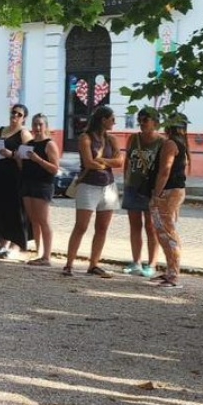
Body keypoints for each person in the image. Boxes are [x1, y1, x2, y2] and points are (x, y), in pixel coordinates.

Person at [63, 106, 123, 278]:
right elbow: (89, 163)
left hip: (108, 186)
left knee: (102, 227)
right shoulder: (85, 137)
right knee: (81, 226)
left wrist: (103, 161)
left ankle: (94, 264)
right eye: (112, 118)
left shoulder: (112, 139)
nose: (114, 122)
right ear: (103, 119)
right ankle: (69, 264)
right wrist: (107, 162)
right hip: (88, 186)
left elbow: (119, 161)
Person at [0, 104, 33, 258]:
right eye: (13, 113)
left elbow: (28, 156)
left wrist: (11, 154)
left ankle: (16, 245)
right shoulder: (1, 130)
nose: (15, 116)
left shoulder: (24, 134)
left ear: (24, 118)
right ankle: (2, 242)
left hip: (13, 178)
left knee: (14, 211)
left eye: (19, 114)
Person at [149, 116, 190, 289]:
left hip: (168, 192)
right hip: (177, 190)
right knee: (165, 232)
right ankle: (170, 271)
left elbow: (165, 170)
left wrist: (156, 194)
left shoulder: (170, 144)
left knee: (167, 233)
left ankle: (173, 275)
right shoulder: (183, 144)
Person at [121, 107, 162, 278]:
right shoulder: (133, 139)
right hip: (133, 186)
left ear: (155, 122)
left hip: (151, 189)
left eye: (146, 119)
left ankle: (152, 263)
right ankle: (136, 261)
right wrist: (126, 180)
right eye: (141, 119)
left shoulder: (162, 142)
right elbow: (128, 161)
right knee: (135, 225)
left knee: (151, 226)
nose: (142, 123)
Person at [16, 113, 61, 266]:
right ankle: (38, 252)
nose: (37, 127)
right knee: (33, 220)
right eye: (35, 124)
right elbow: (23, 167)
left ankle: (47, 256)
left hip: (43, 185)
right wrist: (19, 159)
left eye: (40, 124)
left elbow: (55, 169)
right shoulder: (27, 145)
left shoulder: (50, 144)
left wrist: (38, 159)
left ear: (46, 126)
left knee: (44, 220)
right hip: (27, 183)